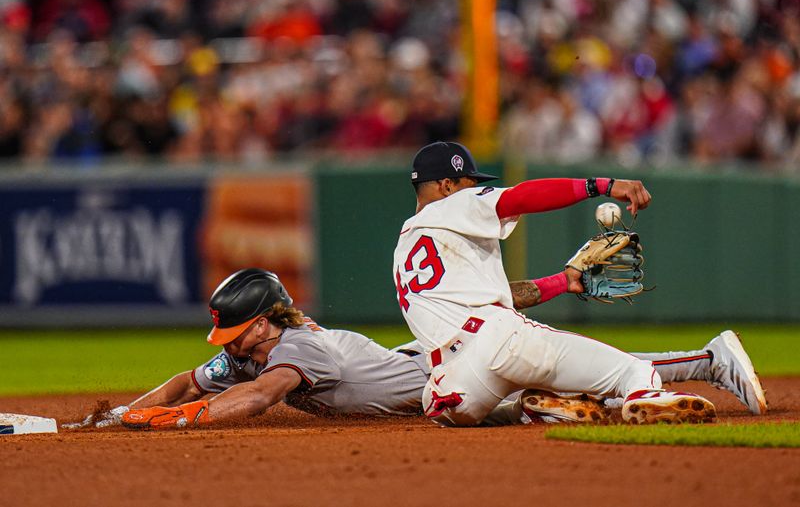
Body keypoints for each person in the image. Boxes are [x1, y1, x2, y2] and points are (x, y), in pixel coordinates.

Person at [64, 268, 765, 430]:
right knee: (541, 403)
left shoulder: (296, 352)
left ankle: (708, 357)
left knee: (552, 375)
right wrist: (131, 408)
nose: (227, 344)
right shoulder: (256, 347)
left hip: (441, 376)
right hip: (418, 371)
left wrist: (167, 423)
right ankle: (560, 405)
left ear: (263, 321)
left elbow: (250, 400)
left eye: (233, 329)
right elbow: (190, 379)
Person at [392, 141, 724, 426]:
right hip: (502, 341)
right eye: (469, 182)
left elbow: (500, 296)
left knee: (437, 403)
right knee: (634, 370)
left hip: (454, 383)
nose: (475, 189)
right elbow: (522, 197)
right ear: (447, 185)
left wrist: (563, 281)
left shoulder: (406, 245)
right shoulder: (456, 203)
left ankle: (528, 410)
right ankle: (645, 395)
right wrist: (603, 186)